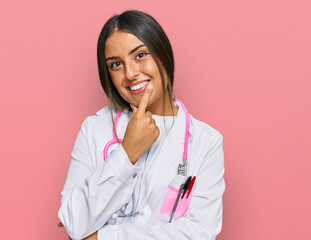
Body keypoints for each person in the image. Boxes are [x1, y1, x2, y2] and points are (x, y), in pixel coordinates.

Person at [58, 10, 225, 240]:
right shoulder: (94, 129)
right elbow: (73, 222)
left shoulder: (206, 143)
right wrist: (128, 153)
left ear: (163, 53)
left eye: (140, 55)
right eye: (116, 64)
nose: (130, 73)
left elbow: (198, 233)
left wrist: (102, 237)